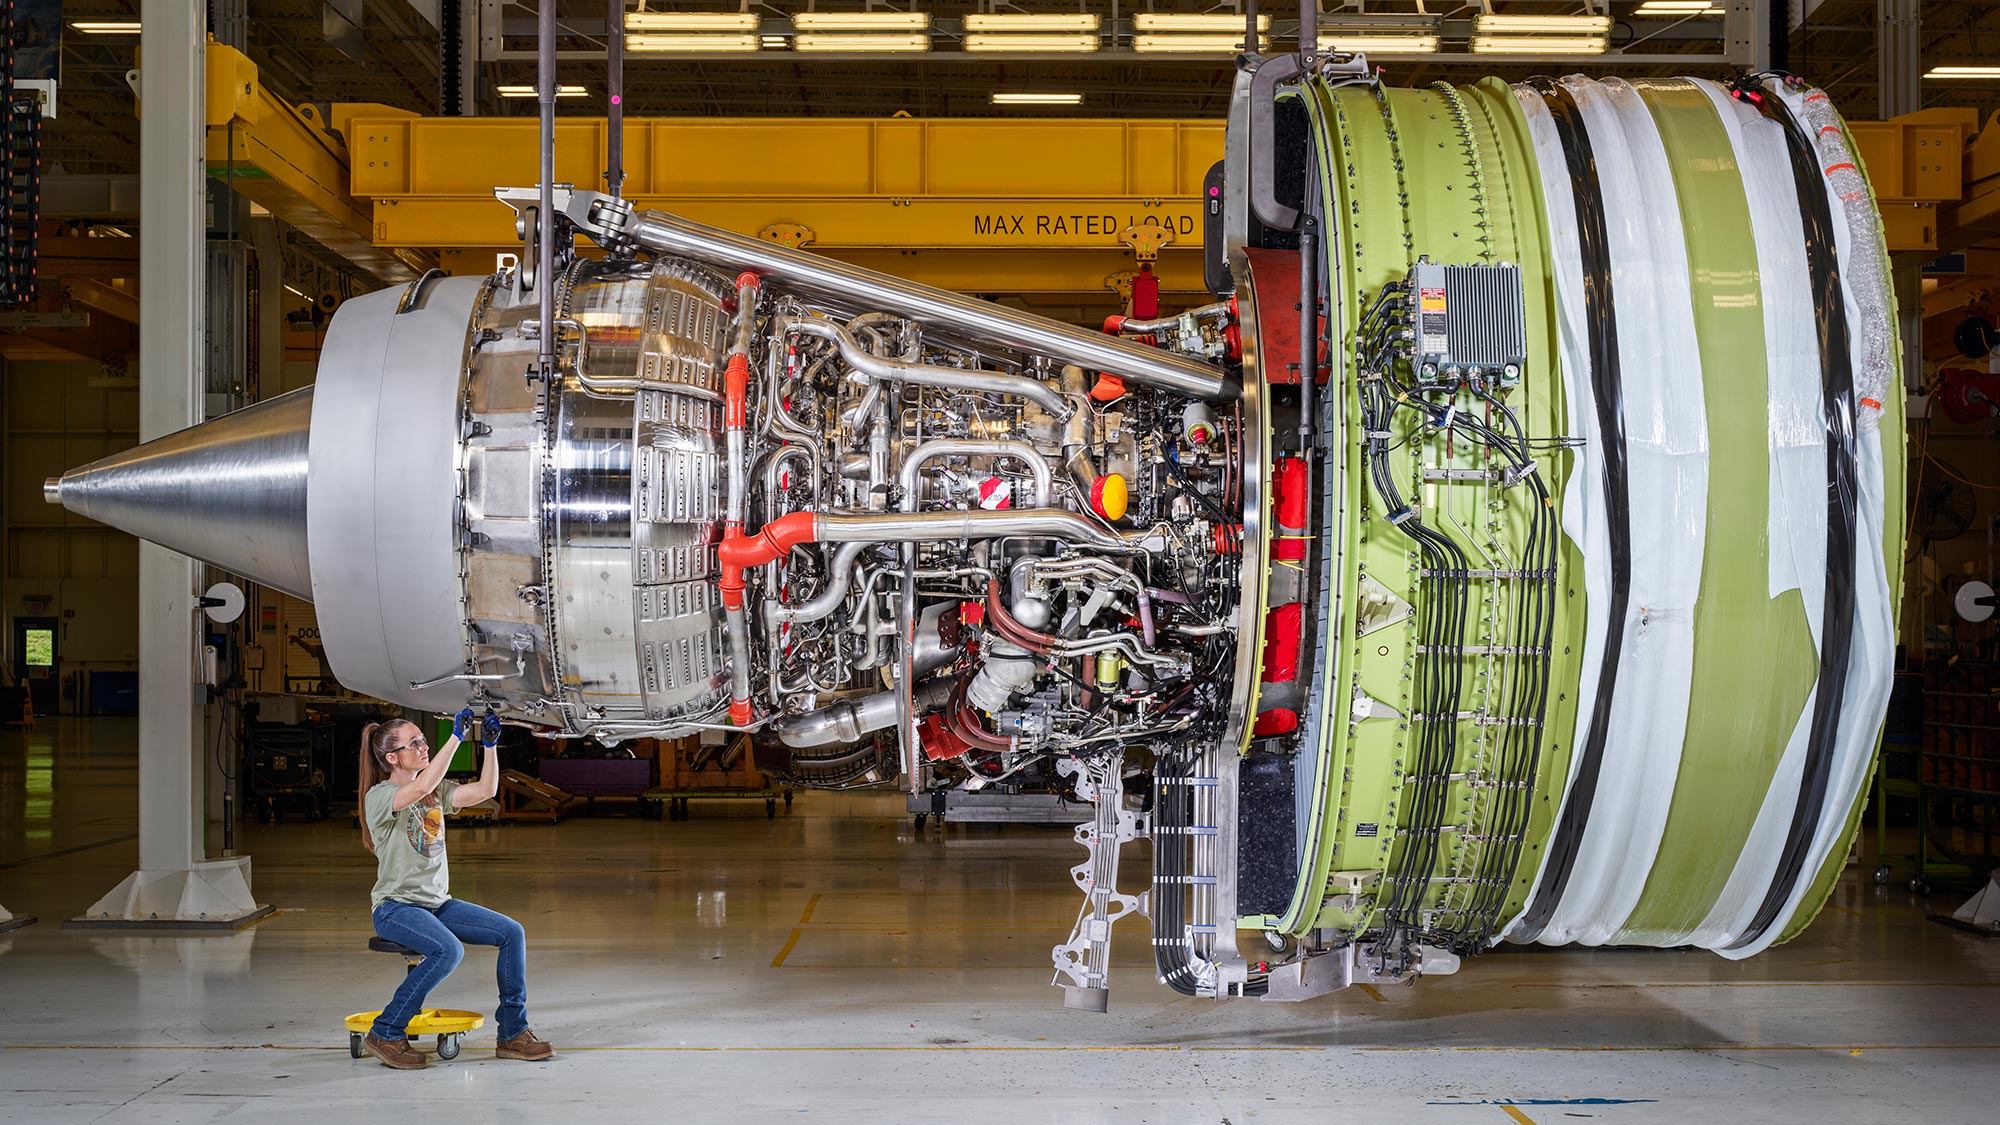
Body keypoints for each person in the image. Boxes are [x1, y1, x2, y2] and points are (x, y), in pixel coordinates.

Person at [356, 710, 554, 1069]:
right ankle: (386, 1030)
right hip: (396, 908)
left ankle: (512, 1032)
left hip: (437, 904)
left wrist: (490, 746)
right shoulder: (381, 796)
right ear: (391, 758)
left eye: (423, 740)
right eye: (413, 743)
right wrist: (456, 738)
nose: (423, 746)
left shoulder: (435, 794)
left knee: (511, 933)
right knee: (448, 951)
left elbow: (485, 791)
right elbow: (417, 787)